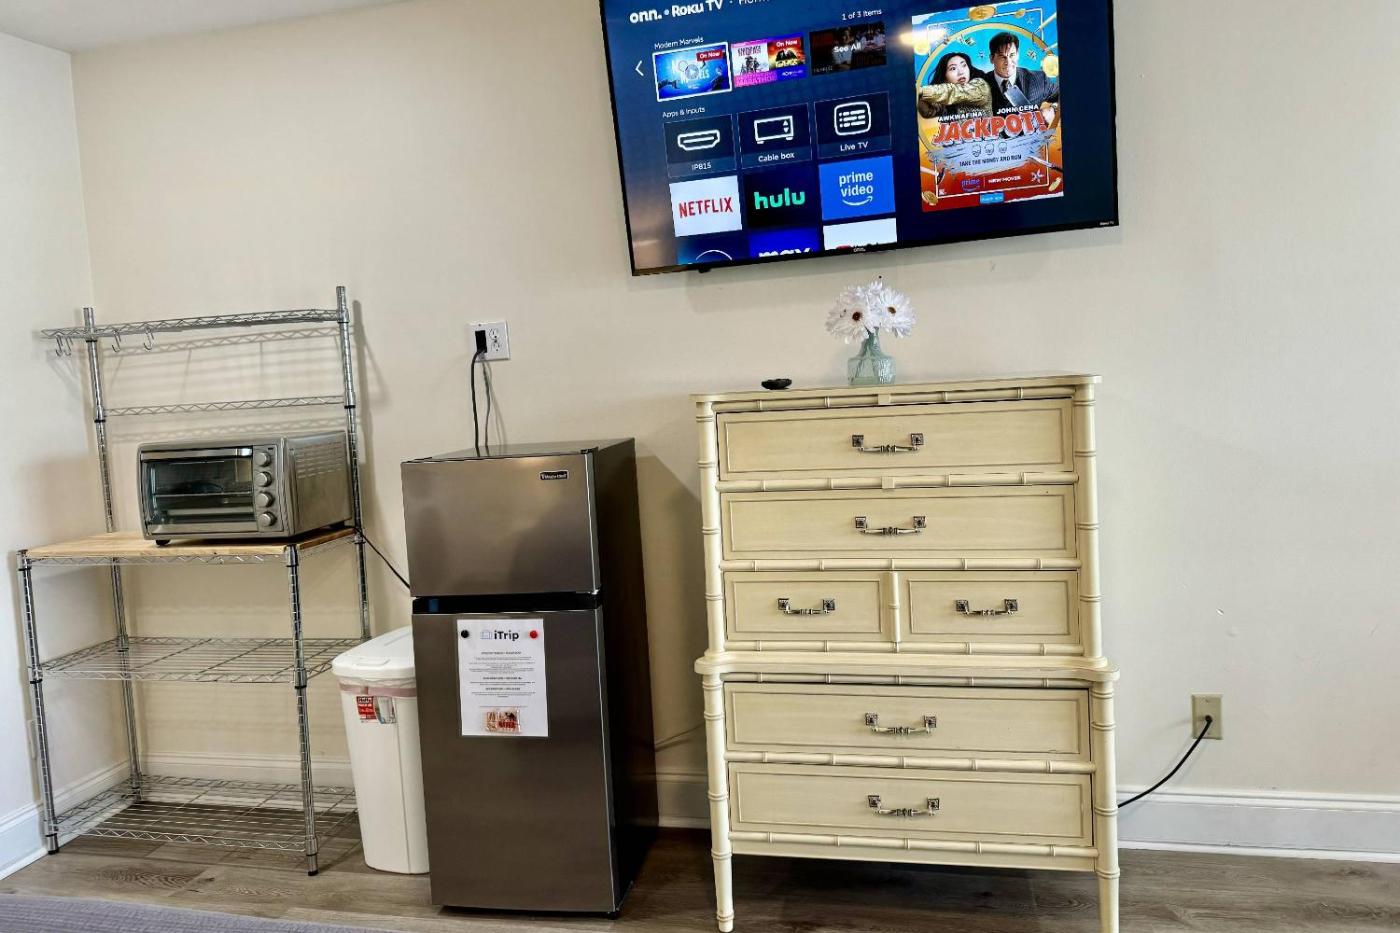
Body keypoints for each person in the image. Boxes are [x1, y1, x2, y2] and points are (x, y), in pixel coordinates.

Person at [986, 31, 1058, 113]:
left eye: (1012, 55)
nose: (1008, 62)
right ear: (991, 58)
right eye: (1002, 57)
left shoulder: (1039, 79)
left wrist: (1053, 109)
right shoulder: (979, 84)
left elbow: (1062, 94)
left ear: (1018, 54)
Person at [917, 50, 992, 119]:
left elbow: (956, 92)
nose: (961, 72)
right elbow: (929, 111)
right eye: (953, 68)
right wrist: (918, 95)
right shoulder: (945, 97)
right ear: (945, 78)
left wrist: (922, 91)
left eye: (964, 65)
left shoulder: (981, 86)